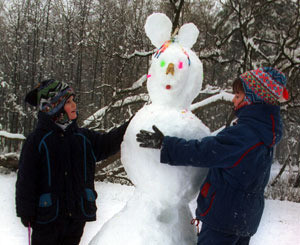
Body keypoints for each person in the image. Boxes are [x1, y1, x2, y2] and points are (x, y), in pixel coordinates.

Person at [136, 67, 288, 245]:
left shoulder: (245, 134)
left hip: (224, 218)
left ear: (252, 100)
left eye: (238, 95)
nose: (234, 99)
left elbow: (206, 151)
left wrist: (167, 145)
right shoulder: (264, 132)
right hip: (245, 218)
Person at [16, 79, 131, 245]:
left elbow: (109, 142)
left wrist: (134, 123)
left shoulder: (82, 138)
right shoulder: (38, 140)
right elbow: (26, 180)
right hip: (47, 218)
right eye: (68, 102)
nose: (74, 105)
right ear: (54, 107)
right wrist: (25, 211)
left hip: (76, 217)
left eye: (73, 100)